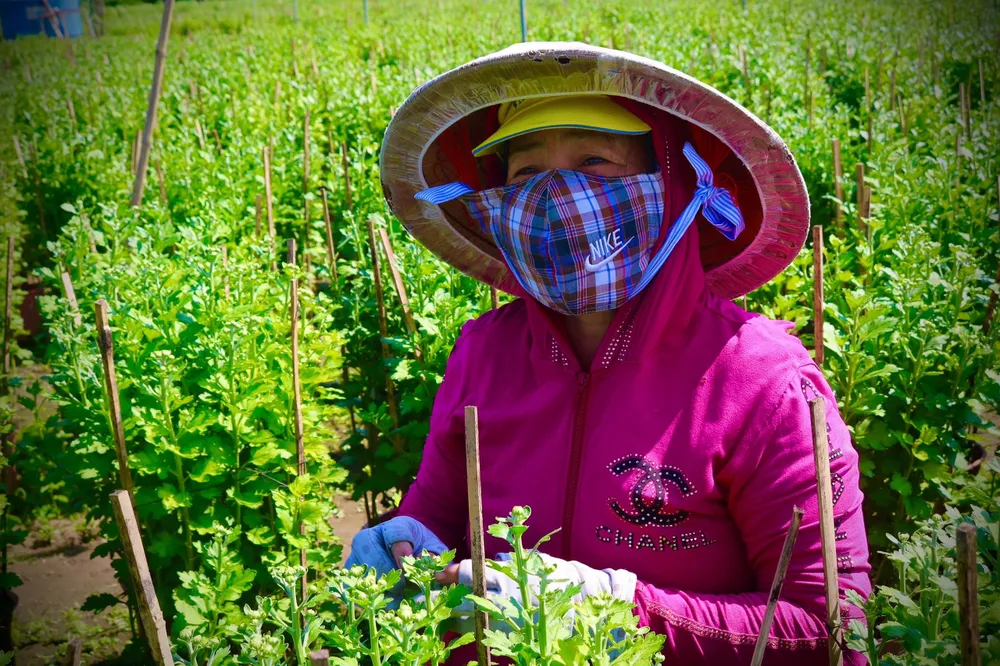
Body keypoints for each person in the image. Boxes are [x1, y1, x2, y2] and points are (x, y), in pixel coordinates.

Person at [348, 42, 871, 664]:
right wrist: (404, 547)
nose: (555, 196)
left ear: (674, 186)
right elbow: (436, 517)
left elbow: (830, 628)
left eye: (594, 161)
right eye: (525, 174)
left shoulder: (763, 384)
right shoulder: (483, 354)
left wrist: (614, 610)